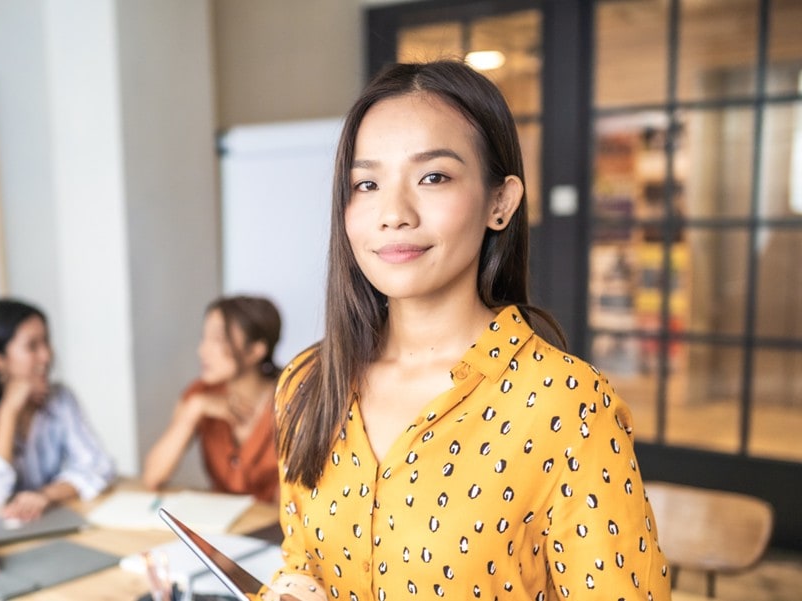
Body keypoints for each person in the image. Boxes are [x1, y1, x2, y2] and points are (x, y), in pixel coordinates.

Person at [265, 61, 671, 601]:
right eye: (367, 183)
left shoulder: (564, 405)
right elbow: (302, 561)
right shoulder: (308, 382)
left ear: (500, 202)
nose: (394, 213)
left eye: (433, 177)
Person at [0, 298, 115, 521]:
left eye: (46, 342)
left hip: (44, 522)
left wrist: (45, 495)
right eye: (32, 346)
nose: (46, 356)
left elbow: (99, 466)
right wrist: (8, 412)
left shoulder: (60, 398)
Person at [142, 295, 283, 503]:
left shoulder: (292, 400)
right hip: (218, 526)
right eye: (203, 338)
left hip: (275, 527)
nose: (202, 351)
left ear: (255, 351)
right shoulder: (199, 394)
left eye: (218, 340)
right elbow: (152, 476)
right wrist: (194, 409)